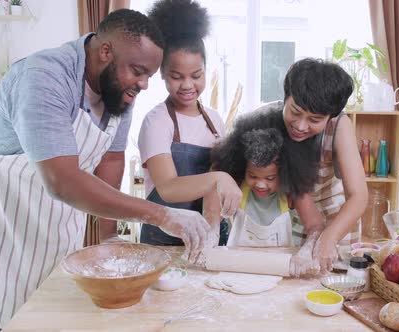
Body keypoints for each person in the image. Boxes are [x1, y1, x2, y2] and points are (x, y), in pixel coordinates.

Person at [0, 9, 211, 330]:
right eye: (138, 71)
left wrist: (109, 236)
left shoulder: (120, 93)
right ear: (105, 52)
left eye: (148, 76)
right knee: (4, 311)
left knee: (50, 307)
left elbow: (111, 160)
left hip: (51, 211)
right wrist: (162, 214)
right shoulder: (42, 79)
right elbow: (62, 180)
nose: (143, 84)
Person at [231, 58, 369, 275]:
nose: (300, 126)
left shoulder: (340, 127)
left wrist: (328, 238)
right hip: (288, 218)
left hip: (335, 220)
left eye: (314, 119)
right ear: (285, 98)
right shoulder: (266, 119)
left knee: (331, 284)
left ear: (330, 117)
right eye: (295, 112)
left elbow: (359, 196)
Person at [138, 0, 241, 246]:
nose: (187, 85)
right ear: (162, 73)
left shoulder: (214, 121)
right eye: (176, 76)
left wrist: (213, 232)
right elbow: (169, 188)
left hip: (207, 235)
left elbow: (213, 192)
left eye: (196, 75)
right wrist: (219, 178)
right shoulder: (157, 121)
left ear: (206, 69)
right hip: (162, 239)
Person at [208, 126, 320, 248]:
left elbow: (315, 225)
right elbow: (212, 213)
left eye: (270, 178)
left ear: (284, 174)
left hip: (279, 265)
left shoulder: (290, 194)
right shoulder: (238, 186)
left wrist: (309, 248)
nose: (260, 185)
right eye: (252, 176)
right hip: (238, 264)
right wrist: (211, 233)